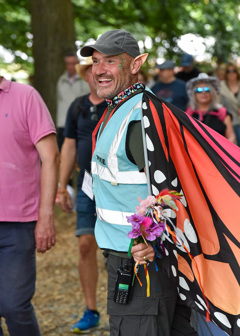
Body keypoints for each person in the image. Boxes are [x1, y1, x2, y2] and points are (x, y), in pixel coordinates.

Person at [80, 29, 199, 336]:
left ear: (136, 65)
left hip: (141, 265)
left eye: (110, 61)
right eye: (95, 61)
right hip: (137, 262)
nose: (99, 70)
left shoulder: (139, 117)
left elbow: (173, 189)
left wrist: (148, 238)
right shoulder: (122, 108)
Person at [0, 76, 59, 335]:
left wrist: (45, 216)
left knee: (14, 305)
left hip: (18, 223)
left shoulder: (26, 96)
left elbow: (52, 157)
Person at [58, 57, 107, 334]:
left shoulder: (118, 105)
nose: (95, 73)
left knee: (121, 250)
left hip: (117, 188)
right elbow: (68, 146)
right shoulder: (77, 107)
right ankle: (91, 309)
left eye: (99, 68)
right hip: (86, 186)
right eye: (89, 70)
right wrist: (61, 186)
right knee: (86, 244)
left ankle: (125, 308)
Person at [186, 73, 235, 143]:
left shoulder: (222, 112)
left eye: (207, 89)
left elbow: (231, 136)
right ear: (194, 94)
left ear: (212, 93)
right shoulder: (189, 113)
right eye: (199, 90)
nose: (203, 92)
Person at [56, 51, 89, 150]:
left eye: (73, 63)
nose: (71, 66)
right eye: (68, 64)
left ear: (78, 63)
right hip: (63, 123)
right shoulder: (61, 81)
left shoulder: (85, 80)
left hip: (80, 122)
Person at [220, 62, 240, 146]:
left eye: (234, 70)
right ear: (225, 73)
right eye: (228, 71)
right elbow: (219, 106)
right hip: (230, 124)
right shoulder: (221, 87)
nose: (231, 73)